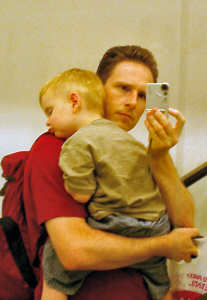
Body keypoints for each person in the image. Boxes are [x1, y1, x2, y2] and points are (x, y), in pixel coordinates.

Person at [23, 45, 199, 300]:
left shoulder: (136, 151)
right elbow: (74, 253)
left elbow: (186, 226)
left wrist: (160, 157)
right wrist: (163, 246)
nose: (131, 103)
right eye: (123, 88)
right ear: (98, 88)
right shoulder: (55, 147)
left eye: (142, 96)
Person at [39, 67, 171, 300]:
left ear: (74, 101)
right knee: (161, 282)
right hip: (156, 226)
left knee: (54, 262)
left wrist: (74, 186)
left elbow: (81, 195)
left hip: (117, 224)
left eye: (50, 111)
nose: (48, 121)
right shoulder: (133, 142)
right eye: (123, 88)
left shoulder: (76, 143)